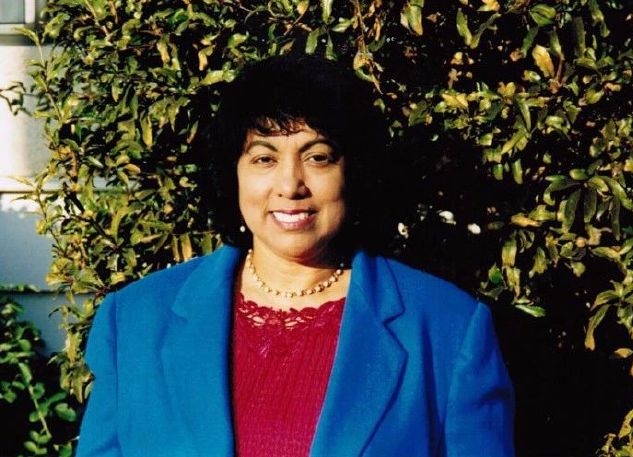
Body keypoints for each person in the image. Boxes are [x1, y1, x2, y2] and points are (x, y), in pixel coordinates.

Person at [76, 53, 514, 457]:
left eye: (318, 157)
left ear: (354, 171)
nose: (290, 185)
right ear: (233, 172)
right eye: (264, 159)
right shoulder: (134, 320)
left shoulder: (448, 328)